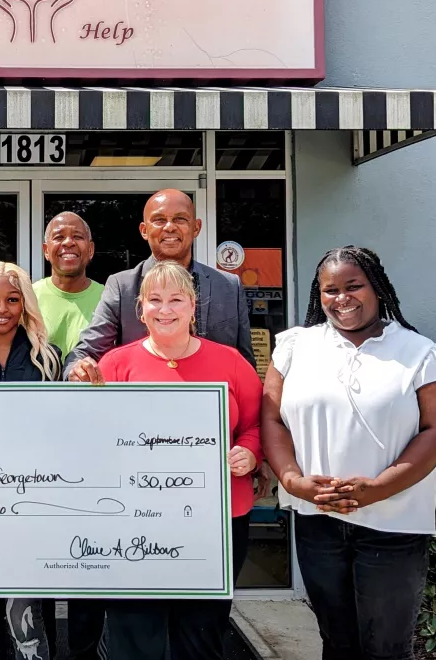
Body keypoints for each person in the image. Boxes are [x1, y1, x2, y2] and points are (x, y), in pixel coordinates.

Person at [261, 246, 436, 660]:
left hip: (395, 525)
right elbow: (273, 420)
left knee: (386, 647)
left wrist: (380, 488)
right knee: (337, 642)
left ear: (378, 288)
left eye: (354, 286)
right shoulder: (295, 347)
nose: (341, 298)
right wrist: (293, 481)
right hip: (319, 521)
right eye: (330, 289)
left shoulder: (421, 354)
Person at [67, 260, 262, 660]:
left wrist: (250, 452)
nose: (165, 309)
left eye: (176, 299)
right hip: (132, 521)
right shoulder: (116, 365)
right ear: (140, 309)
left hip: (216, 520)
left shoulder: (232, 363)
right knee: (134, 629)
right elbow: (93, 438)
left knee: (201, 631)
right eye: (154, 300)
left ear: (194, 306)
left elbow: (258, 424)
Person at [0, 262, 62, 660]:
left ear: (25, 303)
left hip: (32, 499)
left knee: (31, 607)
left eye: (12, 298)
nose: (1, 308)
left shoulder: (49, 358)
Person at [63, 189, 253, 379]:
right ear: (144, 230)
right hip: (146, 401)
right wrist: (77, 369)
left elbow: (246, 365)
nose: (169, 227)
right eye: (159, 220)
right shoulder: (122, 287)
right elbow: (85, 352)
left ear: (196, 227)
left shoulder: (229, 286)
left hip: (215, 404)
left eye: (180, 219)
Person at [32, 212, 105, 660]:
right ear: (45, 250)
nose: (67, 243)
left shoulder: (111, 298)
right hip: (36, 449)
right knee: (38, 561)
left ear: (91, 249)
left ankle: (83, 652)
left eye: (78, 236)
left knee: (88, 564)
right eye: (58, 236)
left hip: (93, 450)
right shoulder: (27, 298)